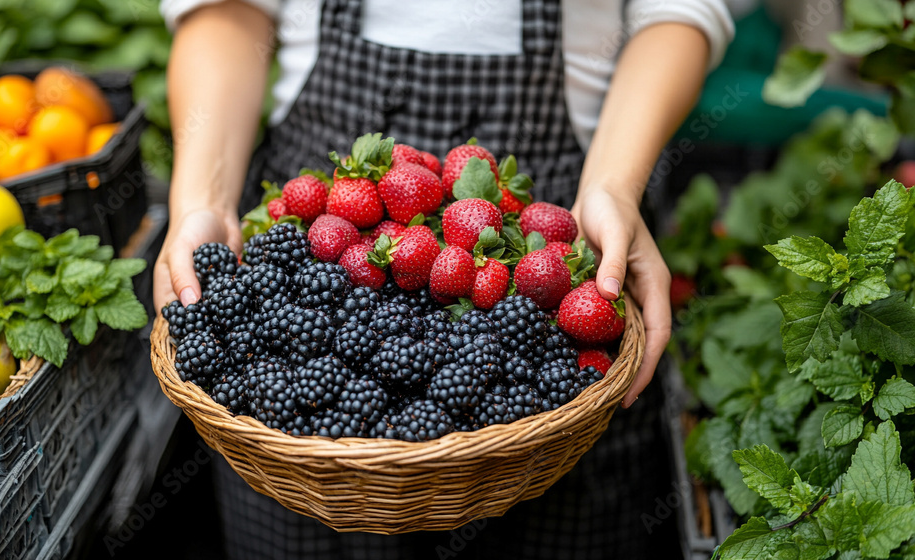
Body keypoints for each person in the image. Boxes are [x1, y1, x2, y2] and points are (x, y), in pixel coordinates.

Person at [154, 0, 733, 557]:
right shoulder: (333, 251)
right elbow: (227, 10)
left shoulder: (518, 257)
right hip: (320, 216)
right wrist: (202, 200)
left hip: (553, 226)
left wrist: (613, 187)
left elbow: (676, 10)